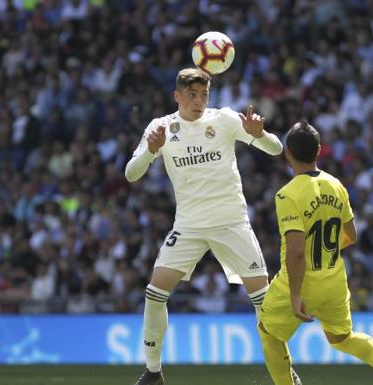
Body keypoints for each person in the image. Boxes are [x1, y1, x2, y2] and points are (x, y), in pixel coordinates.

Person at [125, 68, 283, 385]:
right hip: (189, 227)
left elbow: (277, 149)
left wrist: (260, 134)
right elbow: (131, 173)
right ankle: (153, 371)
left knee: (264, 301)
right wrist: (151, 151)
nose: (199, 101)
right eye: (193, 95)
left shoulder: (224, 119)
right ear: (177, 96)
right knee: (154, 294)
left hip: (232, 223)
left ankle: (282, 368)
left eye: (204, 95)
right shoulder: (161, 128)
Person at [258, 120, 373, 385]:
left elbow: (297, 252)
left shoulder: (287, 195)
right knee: (343, 338)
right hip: (334, 280)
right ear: (319, 150)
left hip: (299, 282)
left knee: (269, 333)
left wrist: (296, 294)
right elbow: (351, 235)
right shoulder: (336, 185)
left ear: (287, 152)